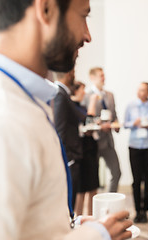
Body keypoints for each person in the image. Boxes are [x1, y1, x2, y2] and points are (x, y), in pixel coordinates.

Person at [0, 0, 132, 239]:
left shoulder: (24, 100)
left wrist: (68, 225)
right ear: (45, 9)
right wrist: (96, 235)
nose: (88, 36)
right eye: (83, 16)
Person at [124, 82, 148, 223]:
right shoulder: (130, 106)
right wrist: (134, 123)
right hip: (134, 146)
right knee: (136, 180)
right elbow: (125, 123)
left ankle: (145, 211)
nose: (140, 92)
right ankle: (137, 211)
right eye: (139, 90)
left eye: (143, 90)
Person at [85, 67, 121, 193]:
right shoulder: (86, 95)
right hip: (94, 142)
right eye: (101, 76)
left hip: (108, 142)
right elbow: (86, 119)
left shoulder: (110, 95)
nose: (104, 78)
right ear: (92, 78)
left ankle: (110, 201)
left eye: (104, 75)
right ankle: (95, 205)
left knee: (116, 172)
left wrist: (116, 126)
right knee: (92, 177)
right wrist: (99, 124)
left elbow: (114, 116)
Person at [54, 70, 85, 209]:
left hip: (72, 154)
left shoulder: (63, 93)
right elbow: (60, 129)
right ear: (69, 74)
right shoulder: (60, 94)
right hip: (69, 156)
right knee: (69, 201)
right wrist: (68, 157)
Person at [69, 80, 100, 216]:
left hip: (91, 148)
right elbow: (87, 119)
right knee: (81, 188)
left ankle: (91, 216)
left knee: (93, 186)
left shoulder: (81, 106)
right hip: (80, 150)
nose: (85, 92)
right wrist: (93, 101)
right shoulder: (71, 106)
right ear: (75, 91)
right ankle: (78, 217)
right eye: (82, 89)